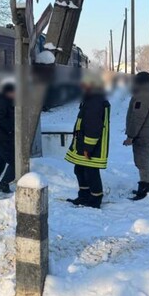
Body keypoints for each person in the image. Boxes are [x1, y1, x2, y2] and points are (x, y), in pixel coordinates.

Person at [65, 72, 111, 209]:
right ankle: (84, 195)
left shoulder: (94, 101)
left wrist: (88, 147)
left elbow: (93, 126)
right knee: (80, 169)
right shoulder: (92, 98)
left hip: (90, 146)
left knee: (91, 172)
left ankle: (95, 199)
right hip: (84, 143)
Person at [123, 71, 149, 200]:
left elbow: (138, 117)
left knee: (142, 162)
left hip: (142, 134)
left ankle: (144, 189)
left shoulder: (143, 95)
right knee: (148, 160)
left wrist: (131, 136)